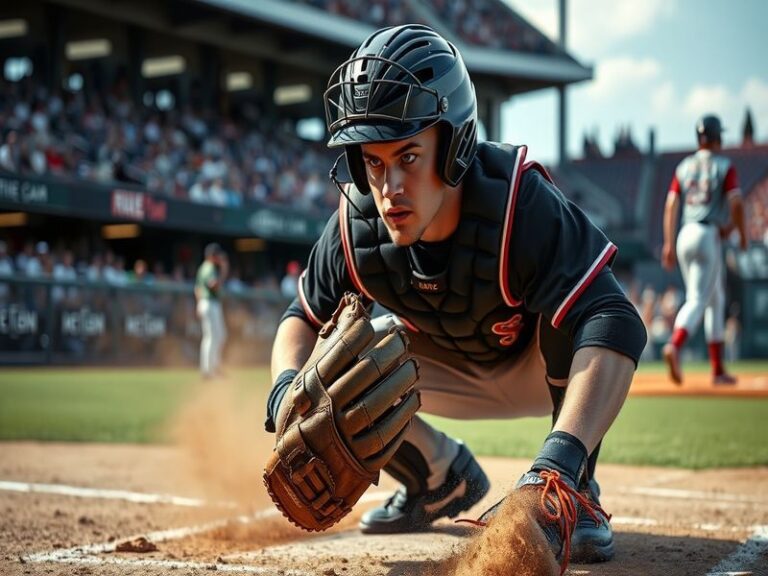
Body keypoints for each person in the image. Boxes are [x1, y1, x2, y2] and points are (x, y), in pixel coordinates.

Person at [265, 25, 646, 571]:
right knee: (333, 366)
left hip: (538, 368)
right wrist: (286, 392)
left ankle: (573, 487)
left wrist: (558, 462)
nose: (388, 186)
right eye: (372, 161)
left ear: (455, 145)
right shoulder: (354, 228)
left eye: (408, 156)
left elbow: (616, 319)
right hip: (439, 370)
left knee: (581, 302)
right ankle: (439, 477)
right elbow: (299, 318)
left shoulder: (518, 200)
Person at [661, 114, 748, 386]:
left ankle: (718, 369)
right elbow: (736, 204)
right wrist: (741, 232)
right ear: (717, 137)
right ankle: (675, 344)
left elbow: (671, 205)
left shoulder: (684, 166)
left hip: (685, 233)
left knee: (716, 299)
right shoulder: (724, 165)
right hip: (708, 233)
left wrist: (667, 242)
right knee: (699, 298)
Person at [195, 242, 228, 379]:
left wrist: (199, 304)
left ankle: (212, 367)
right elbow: (213, 285)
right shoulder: (209, 267)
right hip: (210, 303)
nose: (219, 257)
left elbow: (196, 288)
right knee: (213, 337)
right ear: (212, 256)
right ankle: (208, 371)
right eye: (217, 254)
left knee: (218, 335)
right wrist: (224, 271)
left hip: (206, 303)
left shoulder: (203, 267)